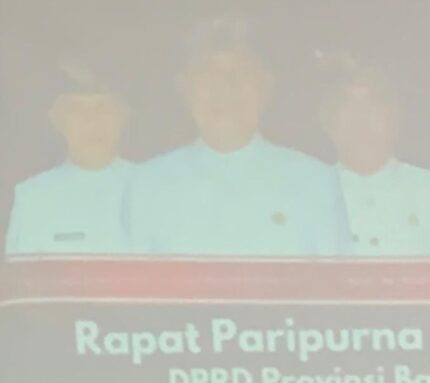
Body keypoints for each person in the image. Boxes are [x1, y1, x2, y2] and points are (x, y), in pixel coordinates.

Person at [124, 19, 350, 258]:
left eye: (241, 73)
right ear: (184, 87)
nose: (226, 88)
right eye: (208, 74)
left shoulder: (315, 182)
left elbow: (341, 290)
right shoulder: (147, 185)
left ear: (266, 85)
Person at [322, 57, 430, 257]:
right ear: (330, 121)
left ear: (394, 118)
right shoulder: (311, 193)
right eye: (349, 105)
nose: (361, 116)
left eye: (373, 105)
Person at [3, 58, 136, 259]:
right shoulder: (33, 199)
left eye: (103, 108)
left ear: (122, 116)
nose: (92, 121)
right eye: (78, 110)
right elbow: (23, 285)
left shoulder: (155, 192)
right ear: (58, 120)